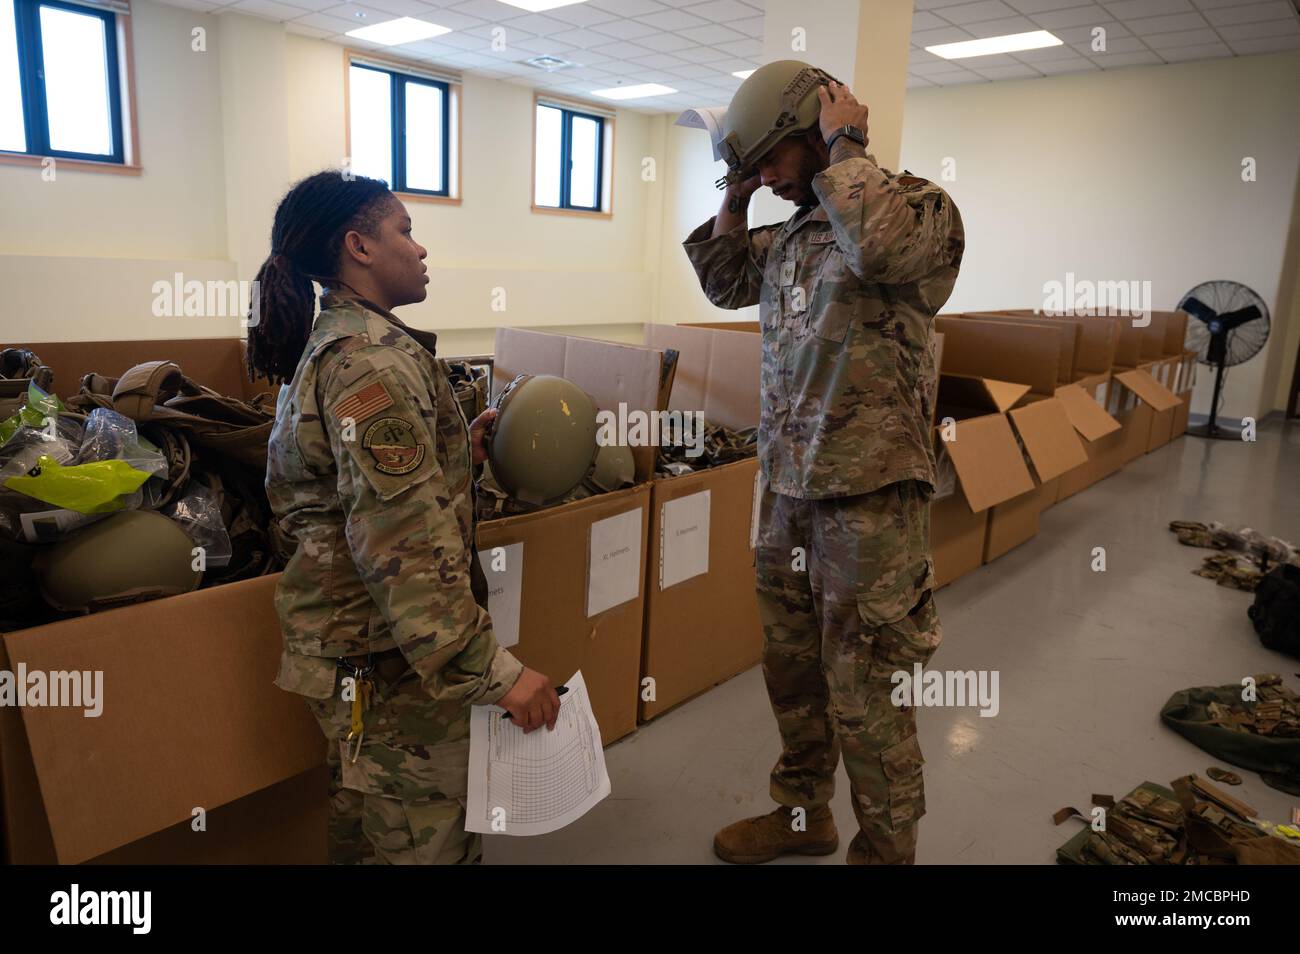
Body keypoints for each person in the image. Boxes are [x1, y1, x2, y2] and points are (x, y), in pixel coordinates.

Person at [682, 61, 964, 865]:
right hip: (787, 492)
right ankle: (805, 816)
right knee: (794, 671)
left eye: (773, 158)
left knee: (868, 689)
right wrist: (735, 192)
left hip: (869, 502)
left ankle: (885, 851)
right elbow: (724, 280)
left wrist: (849, 149)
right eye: (755, 166)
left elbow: (878, 249)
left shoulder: (917, 212)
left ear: (818, 130)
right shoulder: (795, 235)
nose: (768, 177)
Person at [248, 171, 559, 864]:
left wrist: (452, 457)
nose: (420, 251)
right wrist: (494, 672)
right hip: (396, 664)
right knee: (427, 841)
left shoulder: (337, 346)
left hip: (355, 652)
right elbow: (401, 541)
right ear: (359, 247)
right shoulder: (372, 365)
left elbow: (342, 494)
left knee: (366, 828)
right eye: (406, 232)